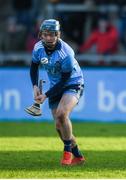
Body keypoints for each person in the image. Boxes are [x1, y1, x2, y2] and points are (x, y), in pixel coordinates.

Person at [28, 19, 85, 166]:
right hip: (55, 85)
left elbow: (65, 80)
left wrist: (46, 95)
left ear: (58, 34)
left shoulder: (66, 53)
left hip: (72, 82)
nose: (48, 38)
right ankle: (78, 155)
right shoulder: (38, 48)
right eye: (45, 34)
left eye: (52, 34)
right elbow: (34, 67)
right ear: (41, 35)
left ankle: (67, 152)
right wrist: (35, 86)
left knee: (61, 114)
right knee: (59, 126)